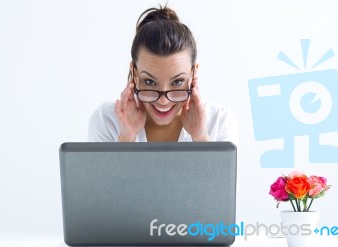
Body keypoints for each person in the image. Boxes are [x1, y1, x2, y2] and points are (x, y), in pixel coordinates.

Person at [88, 5, 238, 144]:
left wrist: (200, 138)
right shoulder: (107, 120)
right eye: (150, 82)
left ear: (193, 73)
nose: (163, 101)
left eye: (177, 82)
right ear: (134, 73)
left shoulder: (219, 120)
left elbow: (222, 174)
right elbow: (101, 174)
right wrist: (126, 138)